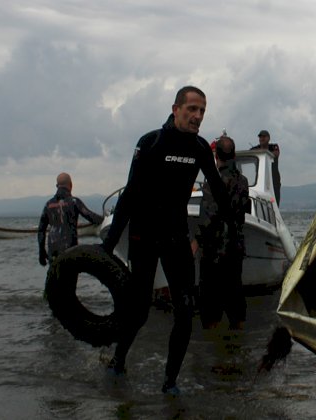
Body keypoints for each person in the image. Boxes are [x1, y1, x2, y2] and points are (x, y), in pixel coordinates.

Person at [101, 86, 233, 396]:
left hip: (175, 236)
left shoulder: (200, 148)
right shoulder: (151, 143)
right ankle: (118, 359)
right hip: (144, 235)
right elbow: (130, 194)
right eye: (192, 109)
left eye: (202, 110)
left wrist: (228, 225)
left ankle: (169, 383)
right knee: (140, 311)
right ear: (176, 109)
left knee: (186, 310)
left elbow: (217, 189)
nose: (198, 116)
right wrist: (107, 247)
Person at [193, 135, 251, 330]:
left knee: (210, 304)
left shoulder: (214, 181)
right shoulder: (243, 181)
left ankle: (213, 350)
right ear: (234, 154)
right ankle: (236, 347)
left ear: (216, 156)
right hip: (235, 248)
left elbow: (208, 217)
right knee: (235, 297)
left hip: (214, 251)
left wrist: (195, 243)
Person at [38, 172, 103, 267]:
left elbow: (41, 230)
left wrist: (41, 252)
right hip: (69, 249)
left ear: (57, 186)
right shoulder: (74, 202)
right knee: (69, 279)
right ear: (71, 185)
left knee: (54, 279)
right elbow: (92, 217)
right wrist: (107, 219)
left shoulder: (48, 205)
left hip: (53, 249)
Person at [250, 129, 281, 204]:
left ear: (268, 138)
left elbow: (276, 154)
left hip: (274, 179)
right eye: (260, 137)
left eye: (264, 136)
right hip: (260, 180)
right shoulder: (255, 149)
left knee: (274, 202)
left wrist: (263, 152)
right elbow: (249, 154)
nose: (262, 139)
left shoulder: (274, 146)